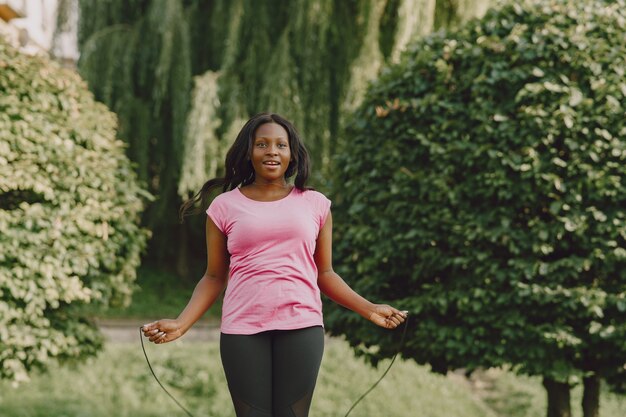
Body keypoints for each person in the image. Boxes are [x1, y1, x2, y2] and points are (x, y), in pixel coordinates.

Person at [142, 112, 407, 417]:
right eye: (262, 144)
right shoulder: (224, 206)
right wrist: (182, 323)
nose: (272, 151)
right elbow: (214, 276)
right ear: (248, 152)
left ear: (292, 153)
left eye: (281, 145)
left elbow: (325, 273)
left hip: (301, 326)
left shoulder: (315, 204)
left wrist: (369, 308)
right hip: (242, 330)